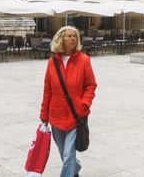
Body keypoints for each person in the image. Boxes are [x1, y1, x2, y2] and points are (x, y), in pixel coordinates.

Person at [39, 26, 97, 177]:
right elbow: (47, 90)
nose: (72, 39)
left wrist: (84, 104)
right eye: (68, 36)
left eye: (75, 36)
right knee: (65, 155)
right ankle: (74, 168)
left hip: (75, 116)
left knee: (67, 156)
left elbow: (91, 85)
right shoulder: (52, 63)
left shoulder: (84, 60)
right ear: (61, 39)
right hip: (56, 115)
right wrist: (44, 116)